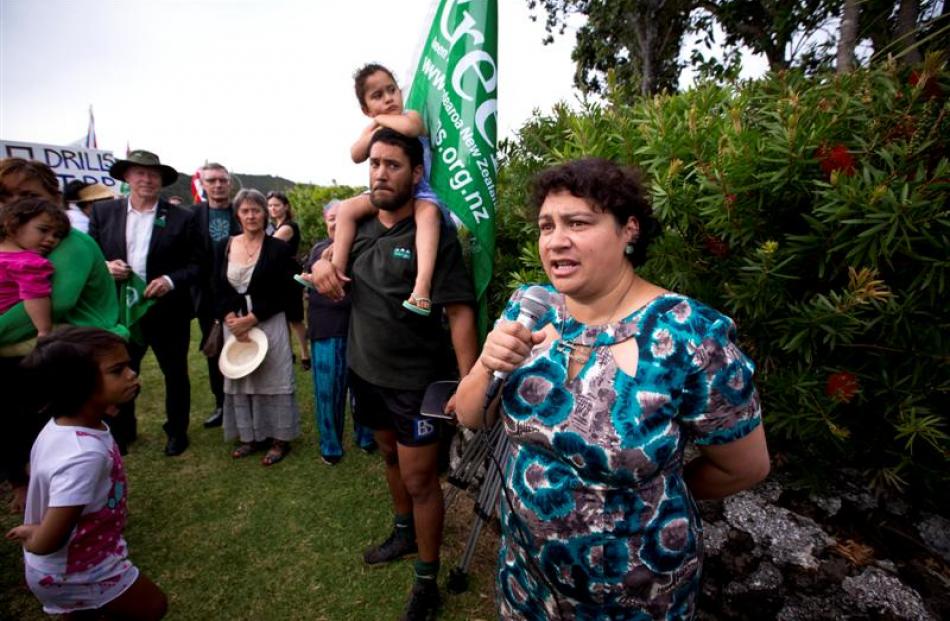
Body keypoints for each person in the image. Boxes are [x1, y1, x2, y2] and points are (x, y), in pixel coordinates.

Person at [453, 158, 771, 620]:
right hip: (526, 578)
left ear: (629, 230)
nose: (556, 239)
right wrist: (487, 361)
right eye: (546, 225)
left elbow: (746, 467)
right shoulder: (530, 307)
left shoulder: (689, 336)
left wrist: (647, 494)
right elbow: (470, 415)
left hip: (632, 596)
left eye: (577, 222)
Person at [312, 128, 478, 620]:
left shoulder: (433, 235)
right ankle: (403, 533)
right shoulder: (357, 228)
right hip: (366, 372)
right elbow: (330, 270)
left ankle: (427, 580)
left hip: (416, 383)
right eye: (375, 164)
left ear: (417, 173)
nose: (381, 173)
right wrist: (324, 265)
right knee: (388, 455)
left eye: (393, 165)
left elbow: (460, 311)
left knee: (421, 478)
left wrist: (470, 382)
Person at [5, 326, 167, 620]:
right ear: (78, 385)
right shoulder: (83, 456)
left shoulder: (61, 424)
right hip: (80, 569)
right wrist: (34, 534)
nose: (131, 374)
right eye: (118, 370)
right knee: (153, 606)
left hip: (80, 559)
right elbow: (47, 541)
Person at [0, 158, 125, 514]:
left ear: (53, 196)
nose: (16, 205)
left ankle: (72, 521)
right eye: (7, 197)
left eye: (27, 194)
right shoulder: (28, 244)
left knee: (68, 451)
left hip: (71, 359)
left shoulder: (70, 244)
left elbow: (52, 303)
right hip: (48, 359)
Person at [88, 150, 201, 457]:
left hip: (167, 312)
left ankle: (177, 432)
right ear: (127, 176)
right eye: (140, 173)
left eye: (153, 175)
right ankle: (124, 431)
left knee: (175, 374)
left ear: (161, 181)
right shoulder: (103, 213)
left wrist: (169, 280)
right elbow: (91, 258)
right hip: (123, 313)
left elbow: (196, 264)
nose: (147, 179)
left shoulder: (182, 217)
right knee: (121, 372)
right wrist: (105, 266)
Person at [323, 63, 443, 318]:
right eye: (377, 96)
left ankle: (422, 287)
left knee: (429, 215)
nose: (388, 98)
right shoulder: (375, 127)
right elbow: (356, 154)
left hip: (418, 191)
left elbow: (411, 130)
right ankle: (337, 269)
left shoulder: (411, 117)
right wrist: (376, 125)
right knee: (345, 208)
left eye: (391, 90)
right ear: (365, 109)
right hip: (385, 194)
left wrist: (380, 119)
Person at [214, 189, 300, 466]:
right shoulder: (224, 246)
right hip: (234, 324)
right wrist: (228, 315)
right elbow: (214, 285)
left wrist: (253, 317)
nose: (251, 216)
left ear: (266, 213)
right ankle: (249, 436)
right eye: (245, 211)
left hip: (267, 321)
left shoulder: (278, 248)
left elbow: (287, 291)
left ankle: (278, 438)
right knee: (242, 377)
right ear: (237, 215)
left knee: (272, 376)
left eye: (257, 210)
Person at [303, 199, 375, 465]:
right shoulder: (319, 249)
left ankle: (366, 436)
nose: (336, 222)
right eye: (332, 218)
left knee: (363, 388)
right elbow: (321, 262)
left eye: (342, 217)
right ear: (325, 222)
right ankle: (330, 445)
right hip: (327, 328)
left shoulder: (362, 245)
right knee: (328, 390)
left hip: (361, 329)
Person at [192, 162, 241, 429]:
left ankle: (245, 402)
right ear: (203, 183)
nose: (218, 185)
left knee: (242, 345)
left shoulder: (242, 211)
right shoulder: (193, 215)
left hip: (238, 294)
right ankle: (221, 403)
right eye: (212, 181)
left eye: (222, 180)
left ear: (229, 182)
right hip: (207, 299)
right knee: (214, 350)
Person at [0, 198, 71, 337]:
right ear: (12, 224)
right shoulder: (28, 263)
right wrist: (44, 331)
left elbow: (34, 296)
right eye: (43, 230)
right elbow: (35, 297)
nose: (51, 239)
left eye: (57, 235)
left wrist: (43, 330)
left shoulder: (26, 261)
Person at [266, 191, 310, 370]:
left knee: (295, 317)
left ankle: (305, 355)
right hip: (278, 276)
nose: (273, 208)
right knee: (282, 316)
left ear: (285, 206)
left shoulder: (288, 227)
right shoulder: (274, 226)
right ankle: (287, 353)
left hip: (289, 276)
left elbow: (268, 246)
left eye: (276, 205)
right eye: (269, 205)